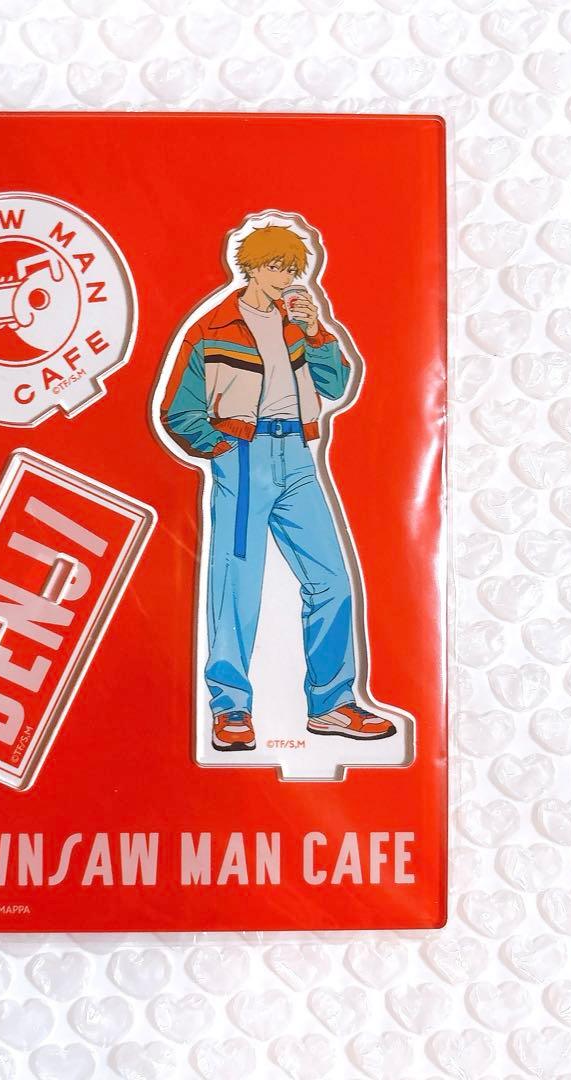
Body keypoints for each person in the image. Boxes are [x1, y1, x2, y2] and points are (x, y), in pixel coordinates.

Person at [160, 223, 397, 751]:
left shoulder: (298, 325)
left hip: (298, 457)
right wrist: (222, 447)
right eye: (276, 267)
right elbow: (178, 410)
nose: (285, 278)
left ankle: (331, 704)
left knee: (331, 580)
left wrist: (316, 332)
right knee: (236, 586)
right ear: (251, 266)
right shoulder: (212, 326)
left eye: (292, 269)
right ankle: (231, 708)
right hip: (243, 457)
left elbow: (337, 386)